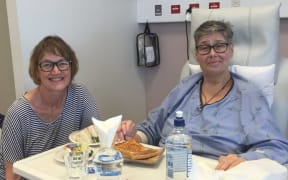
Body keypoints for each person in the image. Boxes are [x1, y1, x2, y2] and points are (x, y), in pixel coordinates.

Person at [116, 20, 288, 171]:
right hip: (167, 168)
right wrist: (134, 137)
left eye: (219, 45)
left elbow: (276, 147)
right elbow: (153, 127)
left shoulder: (249, 96)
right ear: (197, 55)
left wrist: (243, 159)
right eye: (205, 47)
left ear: (231, 50)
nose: (212, 53)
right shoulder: (184, 87)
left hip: (215, 170)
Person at [0, 35, 100, 179]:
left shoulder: (80, 95)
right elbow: (13, 175)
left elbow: (95, 142)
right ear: (36, 71)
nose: (56, 71)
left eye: (62, 63)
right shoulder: (18, 113)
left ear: (71, 67)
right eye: (47, 65)